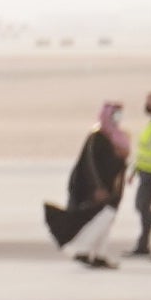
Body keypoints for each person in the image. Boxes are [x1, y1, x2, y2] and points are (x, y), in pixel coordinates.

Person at [51, 102, 128, 267]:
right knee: (98, 221)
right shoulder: (97, 136)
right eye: (115, 114)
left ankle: (99, 254)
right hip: (95, 189)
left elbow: (118, 164)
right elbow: (90, 164)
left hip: (112, 189)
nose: (117, 118)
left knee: (106, 221)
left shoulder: (115, 137)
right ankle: (83, 251)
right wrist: (98, 187)